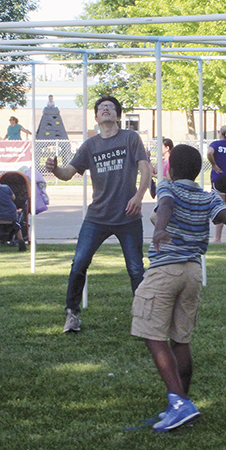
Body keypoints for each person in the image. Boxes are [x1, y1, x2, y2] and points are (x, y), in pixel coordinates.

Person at [134, 144, 226, 431]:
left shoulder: (169, 189)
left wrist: (160, 227)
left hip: (165, 270)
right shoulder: (207, 197)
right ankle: (180, 403)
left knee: (152, 334)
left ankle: (179, 403)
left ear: (170, 169)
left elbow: (167, 205)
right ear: (198, 171)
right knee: (181, 340)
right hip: (193, 272)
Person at [46, 95, 152, 333]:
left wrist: (138, 197)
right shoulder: (89, 145)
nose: (105, 110)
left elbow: (145, 169)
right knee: (79, 263)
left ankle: (144, 318)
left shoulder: (130, 138)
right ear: (96, 116)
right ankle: (71, 314)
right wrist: (55, 169)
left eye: (110, 107)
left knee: (136, 268)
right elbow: (68, 173)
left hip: (128, 216)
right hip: (97, 217)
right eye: (101, 108)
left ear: (117, 115)